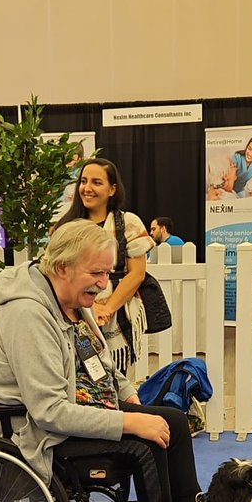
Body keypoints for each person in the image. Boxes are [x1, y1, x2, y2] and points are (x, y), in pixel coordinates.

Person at [0, 220, 200, 502]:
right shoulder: (28, 315)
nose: (104, 283)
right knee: (147, 441)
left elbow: (97, 361)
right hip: (37, 431)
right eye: (96, 272)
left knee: (174, 422)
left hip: (85, 403)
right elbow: (49, 412)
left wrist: (127, 393)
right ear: (62, 267)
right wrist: (130, 422)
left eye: (108, 273)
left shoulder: (68, 302)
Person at [54, 158, 153, 371]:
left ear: (112, 189)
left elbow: (137, 274)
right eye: (83, 181)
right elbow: (58, 274)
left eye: (96, 182)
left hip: (116, 315)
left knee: (114, 374)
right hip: (74, 313)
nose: (87, 188)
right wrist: (91, 308)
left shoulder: (129, 224)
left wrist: (107, 308)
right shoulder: (66, 227)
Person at [207, 135, 252, 200]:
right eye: (249, 149)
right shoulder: (237, 158)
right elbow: (220, 175)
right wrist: (212, 191)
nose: (250, 154)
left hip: (239, 190)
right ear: (247, 146)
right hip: (228, 189)